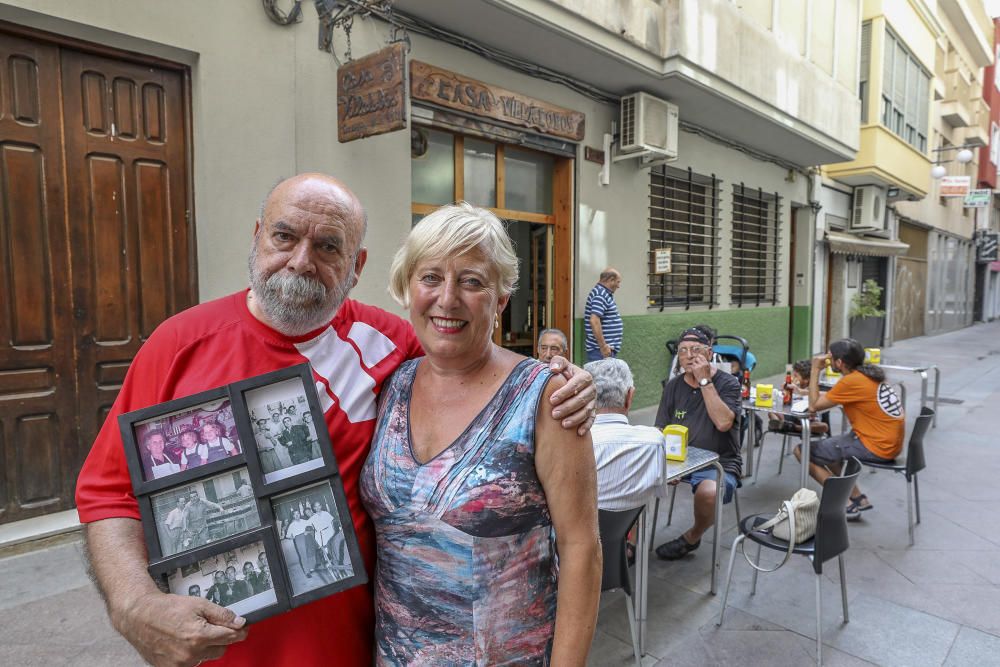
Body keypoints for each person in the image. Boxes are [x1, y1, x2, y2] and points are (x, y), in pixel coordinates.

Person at [75, 173, 596, 667]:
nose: (301, 261)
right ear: (258, 236)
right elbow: (108, 492)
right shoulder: (177, 345)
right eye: (284, 236)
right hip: (218, 651)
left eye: (328, 246)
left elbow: (473, 361)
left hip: (355, 650)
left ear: (357, 264)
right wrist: (133, 604)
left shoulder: (394, 348)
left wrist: (569, 380)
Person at [362, 202, 601, 664]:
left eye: (471, 281)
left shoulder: (546, 397)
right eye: (430, 277)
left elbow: (582, 550)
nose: (447, 298)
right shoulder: (392, 383)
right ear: (407, 288)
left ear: (501, 301)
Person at [653, 327, 742, 560]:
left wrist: (704, 380)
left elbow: (723, 423)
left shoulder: (729, 383)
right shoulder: (673, 386)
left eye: (696, 350)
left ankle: (692, 537)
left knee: (709, 492)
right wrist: (663, 464)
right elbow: (659, 429)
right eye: (683, 351)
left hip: (719, 462)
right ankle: (630, 546)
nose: (689, 355)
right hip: (679, 460)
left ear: (709, 353)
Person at [797, 338, 905, 519]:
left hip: (877, 446)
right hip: (889, 442)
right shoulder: (868, 376)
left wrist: (815, 369)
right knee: (831, 448)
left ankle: (843, 502)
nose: (827, 358)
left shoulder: (851, 381)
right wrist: (806, 392)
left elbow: (814, 406)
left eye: (830, 356)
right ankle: (858, 498)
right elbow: (838, 396)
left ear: (839, 362)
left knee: (802, 450)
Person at [586, 358, 666, 510]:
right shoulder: (655, 440)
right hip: (626, 528)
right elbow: (658, 491)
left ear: (587, 398)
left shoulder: (571, 445)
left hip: (578, 531)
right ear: (630, 396)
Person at [767, 359, 829, 436]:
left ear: (806, 380)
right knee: (771, 412)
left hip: (810, 421)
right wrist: (784, 392)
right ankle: (782, 424)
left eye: (796, 376)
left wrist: (800, 391)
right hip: (793, 416)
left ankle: (793, 427)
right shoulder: (793, 387)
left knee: (824, 427)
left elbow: (827, 395)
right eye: (793, 374)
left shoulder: (812, 388)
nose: (793, 377)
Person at [584, 268, 623, 362]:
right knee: (603, 377)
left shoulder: (603, 293)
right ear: (611, 280)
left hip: (603, 350)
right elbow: (594, 321)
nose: (618, 286)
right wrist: (603, 346)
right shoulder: (600, 294)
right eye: (618, 282)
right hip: (601, 351)